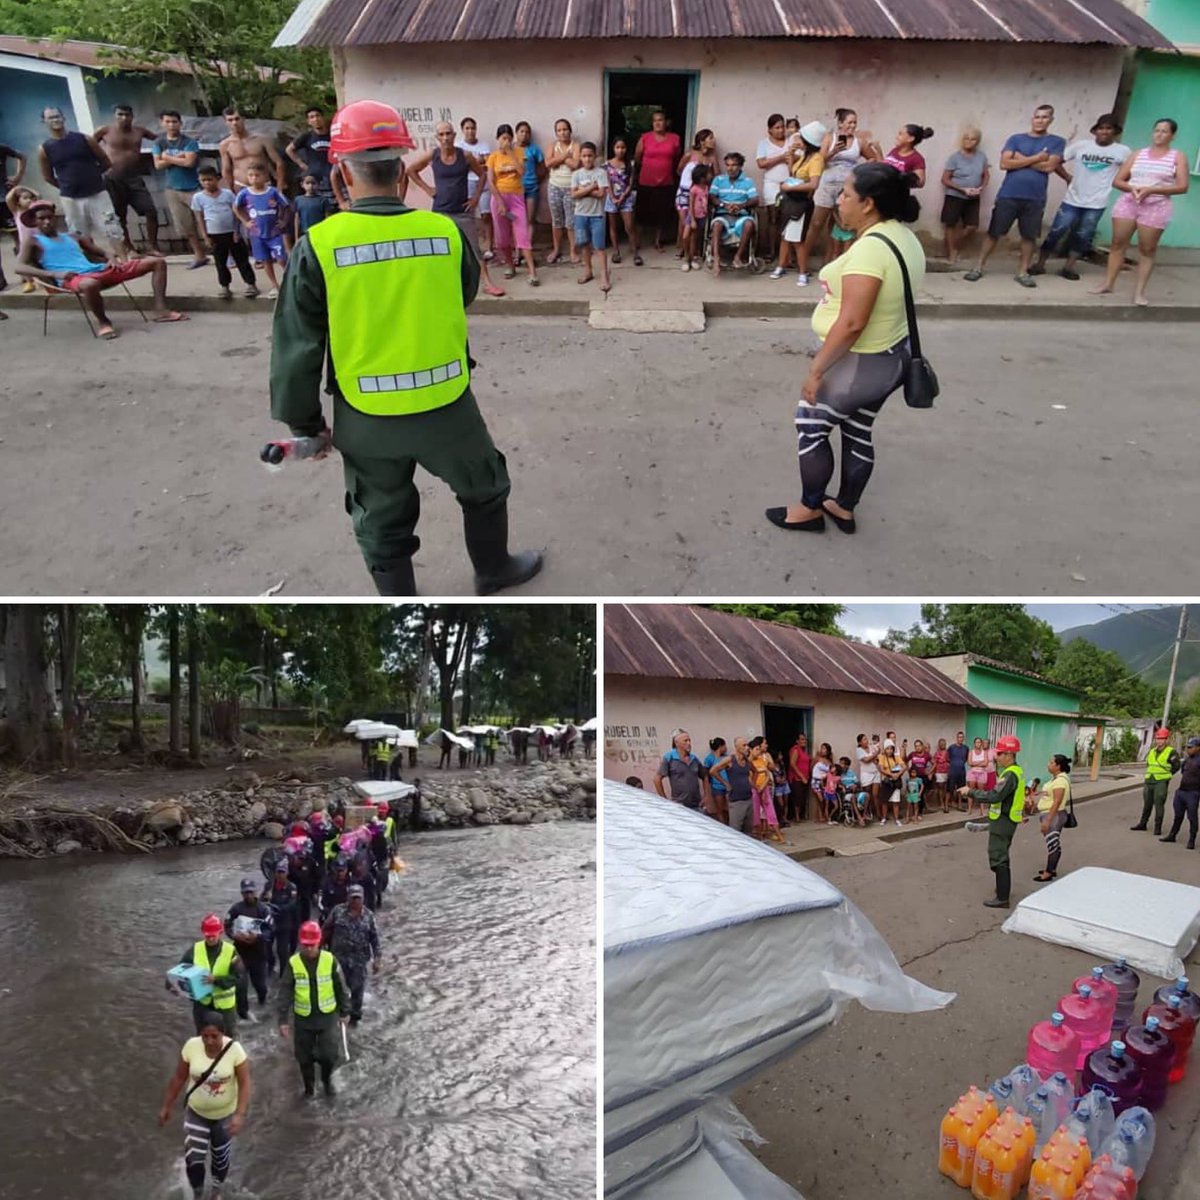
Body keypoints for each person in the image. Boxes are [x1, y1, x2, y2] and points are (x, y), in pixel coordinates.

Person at [269, 100, 542, 597]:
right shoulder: (444, 232)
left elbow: (297, 345)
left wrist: (305, 425)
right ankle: (494, 569)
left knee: (380, 518)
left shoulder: (319, 245)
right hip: (449, 407)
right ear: (401, 165)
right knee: (484, 487)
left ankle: (402, 603)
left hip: (367, 415)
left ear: (343, 170)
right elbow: (464, 294)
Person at [767, 163, 925, 536]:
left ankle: (809, 509)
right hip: (889, 359)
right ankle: (843, 507)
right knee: (858, 429)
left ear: (868, 203)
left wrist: (817, 370)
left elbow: (853, 323)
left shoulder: (872, 250)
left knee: (810, 426)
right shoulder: (903, 237)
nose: (840, 200)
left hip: (859, 363)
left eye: (846, 194)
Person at [17, 200, 186, 338]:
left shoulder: (72, 237)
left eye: (49, 217)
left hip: (97, 270)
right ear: (34, 221)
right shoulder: (33, 241)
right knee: (89, 284)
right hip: (72, 278)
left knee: (157, 262)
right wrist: (53, 274)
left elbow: (103, 252)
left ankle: (160, 309)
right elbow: (19, 267)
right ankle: (104, 322)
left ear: (55, 218)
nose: (47, 221)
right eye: (41, 218)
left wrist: (112, 259)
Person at [965, 104, 1065, 287]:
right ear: (1032, 118)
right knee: (994, 232)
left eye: (1044, 117)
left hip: (1035, 198)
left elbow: (1049, 167)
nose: (1040, 120)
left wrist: (1019, 159)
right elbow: (1004, 164)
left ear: (1051, 120)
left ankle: (1023, 271)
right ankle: (978, 267)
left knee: (1029, 236)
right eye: (1037, 117)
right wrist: (1036, 158)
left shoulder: (1057, 142)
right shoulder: (1016, 139)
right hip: (1009, 194)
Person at [1092, 118, 1189, 306]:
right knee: (1118, 243)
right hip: (1130, 202)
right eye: (1157, 130)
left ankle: (1139, 292)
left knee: (1147, 249)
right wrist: (1133, 188)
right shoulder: (1138, 154)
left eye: (1164, 131)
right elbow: (1118, 180)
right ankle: (1108, 283)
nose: (1159, 134)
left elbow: (1182, 186)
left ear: (1172, 135)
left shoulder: (1177, 156)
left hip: (1156, 206)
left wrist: (1152, 190)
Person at [406, 121, 506, 298]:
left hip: (462, 210)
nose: (445, 138)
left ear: (454, 135)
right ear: (437, 138)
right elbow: (411, 170)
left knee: (474, 249)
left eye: (448, 134)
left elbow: (482, 175)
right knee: (439, 249)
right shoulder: (433, 155)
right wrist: (428, 189)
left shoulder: (465, 156)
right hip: (440, 211)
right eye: (441, 135)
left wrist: (475, 198)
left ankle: (487, 283)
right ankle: (437, 284)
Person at [158, 1018, 250, 1200]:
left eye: (214, 1036)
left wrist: (239, 1114)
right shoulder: (191, 1047)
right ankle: (197, 1193)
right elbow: (178, 1078)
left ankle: (216, 1192)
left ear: (222, 1034)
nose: (209, 1041)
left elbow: (245, 1083)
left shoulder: (235, 1051)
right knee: (193, 1159)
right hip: (196, 1114)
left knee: (220, 1159)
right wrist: (166, 1106)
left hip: (224, 1116)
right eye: (205, 1036)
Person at [1032, 114, 1130, 280]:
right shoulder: (1081, 146)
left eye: (1108, 128)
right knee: (1056, 231)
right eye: (1101, 128)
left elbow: (1129, 173)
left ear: (1115, 131)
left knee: (1083, 235)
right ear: (1095, 130)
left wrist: (1118, 181)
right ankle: (1040, 264)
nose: (1104, 132)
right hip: (1072, 199)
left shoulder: (1123, 151)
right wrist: (1067, 177)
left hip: (1097, 202)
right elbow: (1056, 162)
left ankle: (1069, 267)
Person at [800, 108, 880, 279]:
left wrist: (859, 169)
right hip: (827, 185)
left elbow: (872, 158)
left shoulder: (860, 141)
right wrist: (834, 151)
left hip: (847, 188)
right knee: (816, 224)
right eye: (849, 122)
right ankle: (803, 263)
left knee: (838, 227)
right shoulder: (830, 138)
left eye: (854, 123)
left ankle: (830, 264)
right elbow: (819, 160)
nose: (852, 126)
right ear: (841, 123)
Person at [277, 919, 350, 1097]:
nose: (309, 949)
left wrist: (345, 1011)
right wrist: (283, 1020)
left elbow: (341, 986)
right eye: (306, 945)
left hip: (327, 1017)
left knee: (329, 1054)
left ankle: (327, 1081)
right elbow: (285, 990)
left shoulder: (330, 960)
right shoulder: (294, 963)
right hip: (303, 1019)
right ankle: (309, 1089)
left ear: (319, 942)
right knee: (304, 1057)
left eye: (313, 945)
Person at [37, 106, 119, 256]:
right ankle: (92, 263)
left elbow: (105, 162)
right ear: (44, 122)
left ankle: (124, 261)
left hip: (97, 193)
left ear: (64, 118)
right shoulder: (45, 149)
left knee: (112, 228)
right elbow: (48, 177)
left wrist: (92, 176)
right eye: (51, 118)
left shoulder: (84, 139)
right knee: (80, 234)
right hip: (71, 198)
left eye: (57, 116)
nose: (55, 120)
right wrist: (66, 185)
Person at [958, 734, 1025, 908]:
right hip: (1007, 820)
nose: (997, 756)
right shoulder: (1015, 771)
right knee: (1001, 855)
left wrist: (971, 791)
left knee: (998, 857)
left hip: (1003, 821)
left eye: (1001, 754)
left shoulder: (1010, 775)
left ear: (1010, 755)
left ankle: (1002, 898)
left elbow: (994, 795)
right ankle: (1002, 890)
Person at [95, 104, 161, 256]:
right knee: (119, 216)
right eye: (120, 114)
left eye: (127, 115)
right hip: (112, 178)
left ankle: (153, 246)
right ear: (115, 116)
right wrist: (97, 166)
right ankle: (129, 248)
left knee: (150, 211)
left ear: (132, 116)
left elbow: (160, 140)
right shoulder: (105, 131)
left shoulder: (139, 131)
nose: (124, 118)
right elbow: (89, 146)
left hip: (134, 177)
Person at [192, 165, 258, 299]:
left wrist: (236, 231)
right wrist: (205, 236)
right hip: (214, 234)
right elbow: (199, 218)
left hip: (231, 233)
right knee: (220, 262)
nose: (207, 183)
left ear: (217, 179)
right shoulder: (198, 198)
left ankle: (251, 284)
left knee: (241, 260)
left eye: (209, 179)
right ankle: (225, 286)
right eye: (203, 180)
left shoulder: (227, 194)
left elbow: (236, 213)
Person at [176, 913, 247, 1037]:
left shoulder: (230, 951)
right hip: (202, 1003)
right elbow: (181, 970)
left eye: (213, 936)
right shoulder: (195, 949)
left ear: (220, 933)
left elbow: (239, 976)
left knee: (229, 1037)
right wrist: (175, 985)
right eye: (208, 936)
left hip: (225, 1005)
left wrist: (216, 980)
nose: (211, 939)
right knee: (202, 1036)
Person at [152, 111, 207, 268]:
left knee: (206, 222)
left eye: (174, 121)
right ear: (162, 123)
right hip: (172, 189)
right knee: (186, 226)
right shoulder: (159, 143)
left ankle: (224, 254)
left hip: (193, 188)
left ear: (180, 123)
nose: (171, 125)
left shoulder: (189, 142)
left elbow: (189, 162)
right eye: (168, 121)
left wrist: (168, 158)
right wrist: (179, 158)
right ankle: (199, 255)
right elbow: (157, 165)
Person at [486, 124, 539, 287]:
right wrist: (500, 202)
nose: (506, 141)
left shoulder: (519, 152)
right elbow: (490, 181)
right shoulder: (493, 157)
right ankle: (510, 265)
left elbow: (522, 172)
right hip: (499, 199)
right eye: (503, 138)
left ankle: (532, 271)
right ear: (498, 139)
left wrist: (510, 152)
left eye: (509, 138)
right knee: (502, 237)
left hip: (516, 198)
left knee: (522, 233)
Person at [321, 883, 381, 1025]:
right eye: (353, 898)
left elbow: (375, 938)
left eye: (358, 898)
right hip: (338, 959)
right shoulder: (337, 911)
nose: (355, 901)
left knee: (357, 991)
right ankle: (336, 1017)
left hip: (359, 961)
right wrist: (319, 948)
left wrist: (377, 959)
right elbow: (325, 930)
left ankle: (354, 1019)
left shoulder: (369, 916)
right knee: (335, 988)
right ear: (348, 898)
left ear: (363, 899)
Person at [773, 122, 825, 282]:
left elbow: (813, 183)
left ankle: (803, 272)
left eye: (801, 139)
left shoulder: (816, 159)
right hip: (791, 199)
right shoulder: (803, 157)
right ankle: (781, 266)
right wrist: (790, 158)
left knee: (797, 239)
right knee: (785, 235)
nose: (798, 140)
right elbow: (794, 175)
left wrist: (790, 188)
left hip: (802, 202)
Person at [234, 161, 289, 298]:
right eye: (250, 176)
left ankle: (290, 282)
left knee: (282, 259)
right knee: (265, 260)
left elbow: (287, 206)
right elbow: (236, 207)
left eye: (257, 175)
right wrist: (245, 221)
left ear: (265, 176)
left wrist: (283, 220)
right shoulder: (244, 193)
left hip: (274, 233)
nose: (253, 178)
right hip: (257, 234)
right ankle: (274, 285)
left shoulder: (273, 192)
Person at [940, 127, 989, 265]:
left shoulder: (981, 156)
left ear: (977, 141)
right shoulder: (954, 158)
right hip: (955, 195)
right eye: (966, 138)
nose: (969, 141)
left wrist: (981, 188)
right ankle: (952, 252)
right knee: (950, 224)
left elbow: (986, 175)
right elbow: (945, 179)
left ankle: (954, 243)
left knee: (972, 226)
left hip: (973, 197)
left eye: (973, 139)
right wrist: (962, 189)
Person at [634, 111, 682, 253]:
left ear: (666, 122)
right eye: (655, 120)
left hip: (666, 182)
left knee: (662, 214)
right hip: (646, 181)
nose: (657, 123)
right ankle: (637, 240)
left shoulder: (674, 138)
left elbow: (677, 159)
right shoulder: (645, 138)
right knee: (642, 213)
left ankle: (657, 241)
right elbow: (638, 157)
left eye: (660, 120)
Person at [225, 877, 275, 1007]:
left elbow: (270, 930)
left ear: (256, 892)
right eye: (245, 893)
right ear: (242, 893)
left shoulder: (264, 910)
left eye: (251, 892)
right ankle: (243, 1012)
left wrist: (257, 937)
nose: (248, 895)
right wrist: (234, 936)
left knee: (260, 986)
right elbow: (227, 926)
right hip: (240, 953)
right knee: (240, 986)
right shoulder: (235, 909)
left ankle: (262, 1004)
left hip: (258, 953)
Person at [708, 152, 758, 276]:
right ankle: (716, 258)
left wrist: (740, 206)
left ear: (740, 166)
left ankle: (738, 256)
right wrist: (723, 205)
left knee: (749, 223)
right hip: (723, 214)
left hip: (741, 215)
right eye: (728, 165)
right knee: (717, 225)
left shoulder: (747, 181)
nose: (730, 168)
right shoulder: (719, 179)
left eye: (734, 165)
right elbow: (712, 196)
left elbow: (755, 199)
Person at [286, 106, 345, 209]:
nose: (316, 119)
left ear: (323, 117)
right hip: (317, 181)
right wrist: (301, 164)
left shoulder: (333, 134)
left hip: (336, 177)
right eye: (312, 117)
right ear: (308, 121)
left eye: (318, 116)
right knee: (320, 208)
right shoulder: (307, 136)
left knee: (340, 207)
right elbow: (289, 150)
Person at [570, 142, 611, 292]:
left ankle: (604, 276)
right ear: (580, 157)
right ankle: (588, 271)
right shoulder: (576, 174)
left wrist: (583, 190)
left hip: (596, 216)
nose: (587, 159)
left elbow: (601, 194)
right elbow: (574, 194)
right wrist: (591, 187)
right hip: (580, 215)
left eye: (590, 156)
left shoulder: (601, 173)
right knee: (584, 245)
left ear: (595, 156)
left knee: (599, 246)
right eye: (584, 156)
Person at [220, 106, 285, 194]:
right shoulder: (225, 144)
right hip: (241, 186)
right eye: (230, 120)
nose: (234, 123)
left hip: (264, 185)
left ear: (243, 119)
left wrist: (279, 187)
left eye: (237, 119)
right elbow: (226, 170)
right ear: (226, 122)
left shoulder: (261, 139)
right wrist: (230, 191)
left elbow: (279, 162)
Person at [755, 113, 792, 260]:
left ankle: (787, 254)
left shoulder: (791, 141)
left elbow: (799, 158)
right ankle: (771, 251)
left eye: (782, 127)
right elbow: (761, 163)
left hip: (790, 184)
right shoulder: (764, 144)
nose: (781, 130)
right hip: (771, 184)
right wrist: (781, 158)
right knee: (773, 217)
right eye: (777, 127)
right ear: (769, 130)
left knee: (789, 217)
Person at [544, 119, 580, 265]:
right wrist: (566, 156)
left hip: (570, 187)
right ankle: (556, 249)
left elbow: (576, 165)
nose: (562, 132)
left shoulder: (576, 145)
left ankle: (573, 251)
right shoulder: (552, 146)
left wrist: (557, 160)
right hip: (554, 186)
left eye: (565, 129)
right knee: (557, 221)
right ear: (556, 133)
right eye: (559, 130)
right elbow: (548, 164)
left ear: (570, 131)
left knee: (570, 221)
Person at [1132, 725, 1180, 834]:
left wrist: (1168, 775)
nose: (1159, 741)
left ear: (1166, 740)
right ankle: (1142, 824)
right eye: (1158, 738)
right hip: (1149, 780)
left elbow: (1176, 766)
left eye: (1162, 739)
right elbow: (1149, 764)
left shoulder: (1171, 752)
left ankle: (1157, 827)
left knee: (1159, 804)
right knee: (1147, 804)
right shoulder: (1152, 751)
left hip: (1161, 781)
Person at [455, 117, 493, 257]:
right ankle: (471, 246)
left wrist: (473, 163)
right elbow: (461, 166)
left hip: (484, 183)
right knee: (468, 214)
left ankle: (489, 246)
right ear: (462, 130)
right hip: (467, 183)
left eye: (473, 128)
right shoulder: (458, 147)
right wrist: (478, 161)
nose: (470, 131)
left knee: (486, 215)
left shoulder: (484, 145)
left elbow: (488, 165)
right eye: (467, 128)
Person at [1032, 754, 1072, 881]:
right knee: (1053, 843)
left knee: (1053, 844)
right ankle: (1051, 868)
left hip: (1054, 815)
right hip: (1050, 814)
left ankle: (1049, 872)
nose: (1048, 764)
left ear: (1058, 766)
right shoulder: (1055, 779)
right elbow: (1049, 795)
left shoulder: (1060, 781)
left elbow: (1057, 801)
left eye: (1051, 763)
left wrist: (1048, 820)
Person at [653, 728, 710, 811]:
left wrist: (706, 796)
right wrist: (664, 800)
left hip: (697, 805)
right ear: (677, 743)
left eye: (689, 740)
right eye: (685, 741)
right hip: (679, 806)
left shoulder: (694, 759)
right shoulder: (669, 758)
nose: (689, 743)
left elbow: (705, 776)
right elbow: (657, 779)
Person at [604, 137, 640, 265]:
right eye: (617, 147)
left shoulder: (630, 164)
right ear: (613, 149)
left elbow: (631, 183)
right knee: (613, 226)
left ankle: (635, 252)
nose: (620, 150)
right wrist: (613, 197)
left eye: (623, 147)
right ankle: (616, 252)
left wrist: (623, 197)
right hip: (611, 198)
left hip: (626, 198)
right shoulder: (607, 164)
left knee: (629, 226)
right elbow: (607, 183)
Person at [1160, 737, 1200, 850]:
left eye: (1191, 747)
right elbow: (1183, 772)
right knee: (1178, 815)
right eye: (1187, 747)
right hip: (1181, 791)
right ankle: (1172, 835)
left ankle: (1192, 839)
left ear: (1198, 748)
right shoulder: (1187, 760)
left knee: (1192, 817)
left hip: (1193, 793)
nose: (1188, 749)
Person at [514, 121, 545, 260]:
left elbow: (543, 168)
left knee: (530, 220)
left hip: (532, 188)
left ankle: (528, 249)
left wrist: (537, 180)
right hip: (515, 189)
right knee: (517, 221)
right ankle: (517, 252)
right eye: (522, 131)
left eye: (527, 132)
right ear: (516, 133)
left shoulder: (534, 149)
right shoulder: (511, 149)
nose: (524, 134)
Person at [709, 737, 754, 834]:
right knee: (736, 830)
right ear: (737, 747)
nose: (747, 748)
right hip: (736, 800)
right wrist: (725, 783)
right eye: (744, 745)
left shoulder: (747, 761)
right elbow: (713, 771)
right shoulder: (730, 760)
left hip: (748, 798)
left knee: (748, 830)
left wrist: (752, 784)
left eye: (747, 745)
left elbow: (756, 771)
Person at [263, 858, 300, 975]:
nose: (280, 875)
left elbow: (292, 904)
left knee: (282, 950)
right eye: (278, 872)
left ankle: (283, 972)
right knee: (267, 946)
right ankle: (271, 965)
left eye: (282, 872)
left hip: (285, 923)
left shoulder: (291, 887)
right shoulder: (269, 885)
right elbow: (261, 901)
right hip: (271, 922)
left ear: (287, 873)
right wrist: (265, 899)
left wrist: (277, 908)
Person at [747, 736, 782, 842]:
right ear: (751, 750)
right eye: (756, 749)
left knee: (770, 811)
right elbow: (749, 777)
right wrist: (757, 788)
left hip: (764, 788)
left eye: (759, 749)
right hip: (754, 790)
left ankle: (779, 835)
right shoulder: (748, 763)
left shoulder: (763, 759)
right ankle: (759, 836)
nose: (758, 752)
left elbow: (767, 773)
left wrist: (763, 787)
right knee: (756, 813)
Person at [680, 164, 710, 271]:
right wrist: (692, 219)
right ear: (702, 177)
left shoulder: (706, 188)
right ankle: (686, 257)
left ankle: (692, 259)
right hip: (692, 216)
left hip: (702, 216)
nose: (710, 176)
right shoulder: (694, 189)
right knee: (685, 236)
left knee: (694, 239)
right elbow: (691, 204)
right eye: (708, 174)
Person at [294, 173, 333, 243]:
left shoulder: (323, 200)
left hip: (319, 233)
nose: (310, 186)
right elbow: (297, 219)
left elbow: (327, 218)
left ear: (318, 184)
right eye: (307, 183)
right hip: (305, 233)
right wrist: (296, 237)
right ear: (302, 185)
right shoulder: (298, 200)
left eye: (313, 183)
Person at [702, 736, 730, 824]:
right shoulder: (709, 758)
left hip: (728, 786)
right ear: (720, 746)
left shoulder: (726, 757)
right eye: (724, 746)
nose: (726, 748)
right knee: (719, 809)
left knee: (728, 809)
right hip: (717, 786)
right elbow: (706, 773)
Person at [854, 733, 881, 823]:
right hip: (866, 774)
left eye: (866, 739)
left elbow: (877, 756)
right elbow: (866, 760)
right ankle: (867, 812)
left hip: (875, 772)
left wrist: (875, 754)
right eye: (864, 740)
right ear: (860, 742)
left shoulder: (871, 747)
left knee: (875, 794)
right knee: (867, 794)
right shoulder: (859, 750)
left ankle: (879, 814)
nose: (866, 741)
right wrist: (875, 754)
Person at [878, 739, 905, 826]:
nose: (889, 750)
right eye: (887, 748)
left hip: (895, 782)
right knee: (884, 801)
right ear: (885, 749)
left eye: (891, 748)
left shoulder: (896, 757)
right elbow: (881, 769)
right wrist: (890, 774)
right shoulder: (882, 757)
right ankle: (884, 818)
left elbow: (904, 766)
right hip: (886, 781)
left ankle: (896, 819)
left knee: (896, 801)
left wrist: (898, 774)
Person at [787, 731, 811, 822]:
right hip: (797, 778)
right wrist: (802, 776)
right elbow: (792, 764)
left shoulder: (803, 751)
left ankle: (800, 815)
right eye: (802, 739)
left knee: (802, 797)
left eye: (805, 739)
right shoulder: (796, 750)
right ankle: (796, 816)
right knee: (797, 797)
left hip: (804, 777)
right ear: (797, 741)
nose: (804, 741)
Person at [811, 742, 833, 823]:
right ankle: (820, 816)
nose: (822, 750)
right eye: (821, 748)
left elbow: (832, 771)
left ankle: (822, 816)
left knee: (824, 799)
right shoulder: (817, 758)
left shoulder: (829, 761)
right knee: (820, 799)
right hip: (816, 781)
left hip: (824, 782)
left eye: (824, 748)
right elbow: (811, 767)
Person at [947, 731, 970, 811]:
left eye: (962, 737)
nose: (960, 739)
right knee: (950, 789)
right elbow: (947, 758)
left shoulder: (966, 748)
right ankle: (947, 806)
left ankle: (960, 805)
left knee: (961, 789)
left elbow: (966, 758)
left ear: (963, 738)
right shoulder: (951, 747)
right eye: (959, 737)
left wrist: (960, 763)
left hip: (962, 771)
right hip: (953, 771)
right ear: (956, 738)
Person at [932, 738, 952, 814]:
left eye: (944, 744)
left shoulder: (948, 752)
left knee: (947, 787)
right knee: (940, 786)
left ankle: (946, 802)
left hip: (947, 771)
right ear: (939, 745)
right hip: (939, 771)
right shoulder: (937, 753)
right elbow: (933, 761)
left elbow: (950, 760)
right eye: (941, 744)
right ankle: (941, 802)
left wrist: (948, 763)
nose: (942, 745)